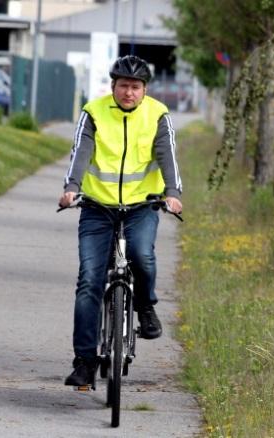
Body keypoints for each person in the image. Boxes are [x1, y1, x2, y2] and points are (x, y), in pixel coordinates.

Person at [59, 55, 182, 387]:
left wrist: (172, 192)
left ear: (145, 90)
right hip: (98, 207)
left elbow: (167, 155)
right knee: (89, 282)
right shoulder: (94, 112)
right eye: (124, 86)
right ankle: (84, 361)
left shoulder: (158, 114)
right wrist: (71, 189)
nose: (129, 92)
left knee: (142, 255)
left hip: (142, 205)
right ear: (113, 86)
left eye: (136, 87)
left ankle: (144, 305)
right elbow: (80, 154)